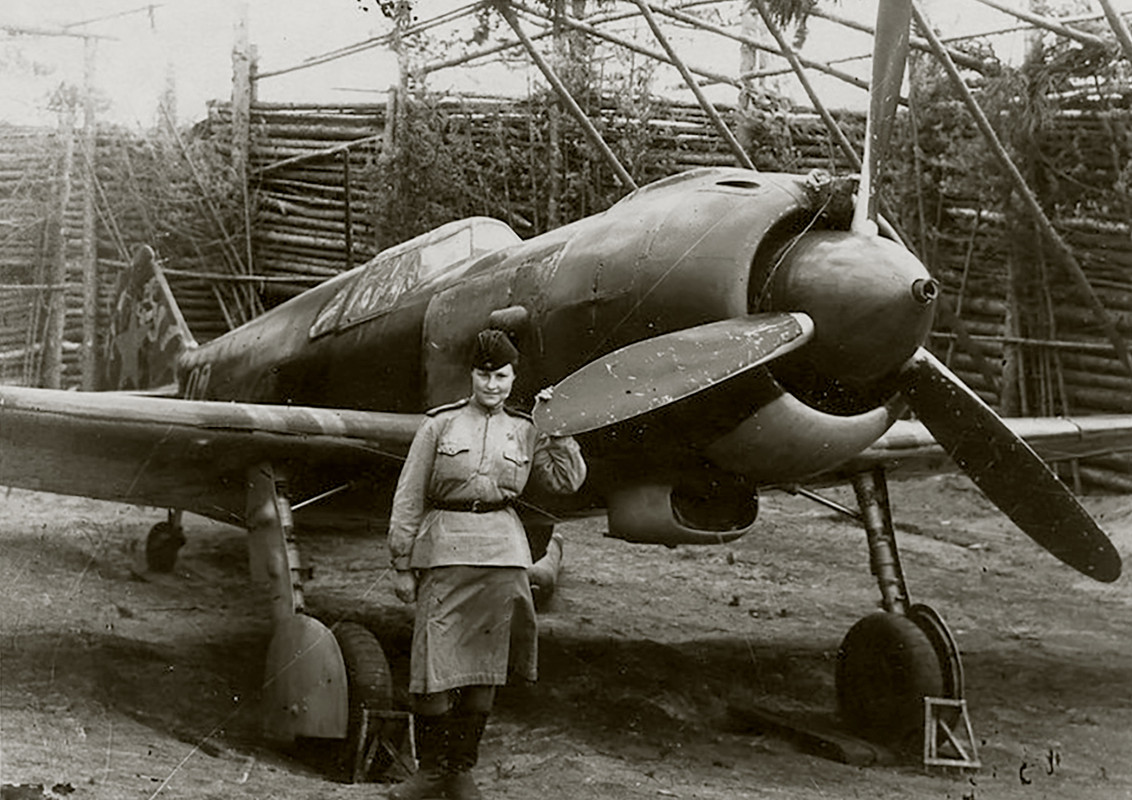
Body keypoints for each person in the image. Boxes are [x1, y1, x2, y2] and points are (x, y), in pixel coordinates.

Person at [387, 328, 587, 800]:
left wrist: (559, 427)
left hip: (502, 555)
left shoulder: (527, 428)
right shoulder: (439, 426)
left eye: (501, 376)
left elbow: (566, 482)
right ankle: (431, 772)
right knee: (432, 666)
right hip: (445, 552)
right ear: (471, 376)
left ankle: (460, 771)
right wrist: (401, 562)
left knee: (485, 668)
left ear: (514, 379)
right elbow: (409, 495)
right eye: (483, 375)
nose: (492, 385)